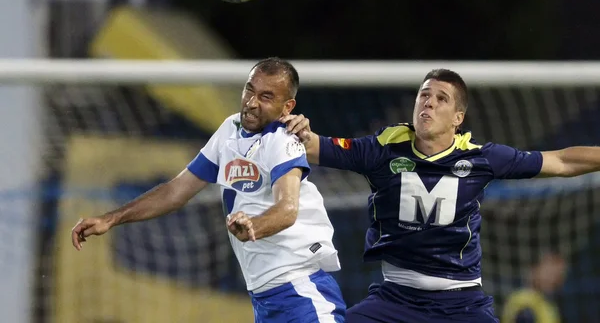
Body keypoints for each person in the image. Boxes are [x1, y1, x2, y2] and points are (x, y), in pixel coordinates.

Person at [281, 68, 600, 323]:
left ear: (458, 118)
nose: (429, 102)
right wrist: (299, 131)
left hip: (460, 304)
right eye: (424, 95)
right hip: (394, 300)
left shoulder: (481, 159)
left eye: (441, 98)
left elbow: (561, 160)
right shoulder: (382, 150)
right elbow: (313, 147)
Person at [71, 57, 346, 323]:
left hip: (300, 289)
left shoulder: (283, 139)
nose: (251, 103)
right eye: (249, 90)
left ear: (288, 107)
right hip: (266, 297)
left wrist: (254, 225)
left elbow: (287, 210)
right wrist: (111, 218)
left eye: (266, 97)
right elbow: (175, 191)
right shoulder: (230, 130)